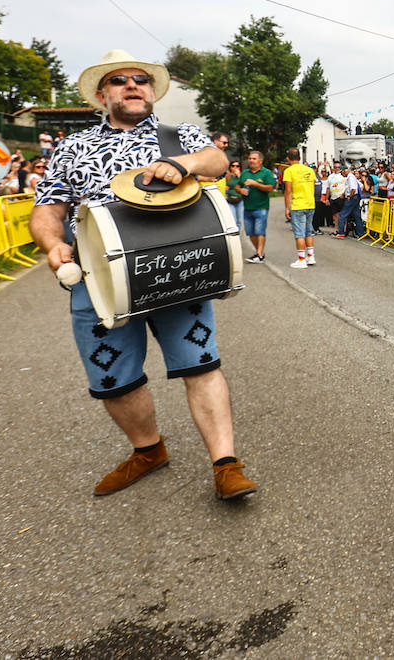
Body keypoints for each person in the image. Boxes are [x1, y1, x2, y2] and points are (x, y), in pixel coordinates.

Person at [28, 50, 256, 500]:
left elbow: (214, 160)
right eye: (119, 80)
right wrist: (53, 243)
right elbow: (47, 209)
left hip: (175, 270)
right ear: (101, 94)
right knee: (114, 380)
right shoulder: (72, 148)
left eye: (141, 80)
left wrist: (184, 164)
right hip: (97, 281)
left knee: (201, 366)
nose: (133, 85)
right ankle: (148, 451)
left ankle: (226, 465)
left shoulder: (178, 135)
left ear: (152, 92)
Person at [282, 148, 317, 268]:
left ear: (288, 158)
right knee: (308, 231)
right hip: (310, 203)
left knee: (299, 233)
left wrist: (287, 208)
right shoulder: (309, 170)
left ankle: (302, 260)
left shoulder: (289, 171)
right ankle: (311, 257)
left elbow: (288, 190)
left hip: (298, 205)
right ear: (300, 158)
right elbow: (312, 185)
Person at [239, 150, 276, 263]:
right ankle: (259, 253)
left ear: (260, 161)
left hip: (261, 207)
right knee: (250, 232)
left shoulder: (266, 173)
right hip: (247, 207)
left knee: (259, 231)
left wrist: (255, 184)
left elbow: (270, 188)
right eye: (250, 158)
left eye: (254, 159)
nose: (251, 160)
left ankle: (259, 254)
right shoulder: (245, 173)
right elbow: (237, 186)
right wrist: (241, 190)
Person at [224, 159, 245, 228]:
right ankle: (234, 237)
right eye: (233, 166)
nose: (235, 168)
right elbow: (225, 186)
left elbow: (245, 186)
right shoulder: (227, 176)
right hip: (230, 200)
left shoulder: (243, 176)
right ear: (230, 167)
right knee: (233, 219)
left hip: (240, 200)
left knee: (240, 221)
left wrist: (239, 176)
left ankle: (238, 237)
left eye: (237, 166)